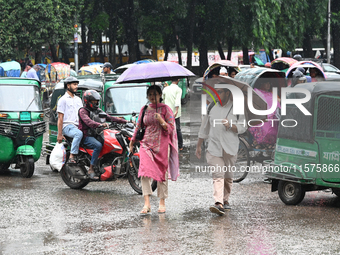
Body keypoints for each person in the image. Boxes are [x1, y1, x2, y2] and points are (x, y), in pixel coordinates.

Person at [195, 88, 247, 216]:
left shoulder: (237, 108)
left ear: (228, 93)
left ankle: (225, 199)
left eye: (220, 92)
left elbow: (243, 127)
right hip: (214, 147)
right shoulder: (211, 106)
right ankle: (218, 203)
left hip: (230, 147)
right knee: (218, 174)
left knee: (228, 176)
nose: (217, 94)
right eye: (215, 91)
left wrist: (230, 125)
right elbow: (204, 127)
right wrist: (199, 145)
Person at [129, 85, 179, 215]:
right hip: (146, 144)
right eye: (150, 94)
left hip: (162, 145)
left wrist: (161, 120)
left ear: (160, 95)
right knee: (144, 172)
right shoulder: (144, 109)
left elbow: (171, 128)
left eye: (155, 94)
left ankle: (162, 201)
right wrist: (132, 141)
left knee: (162, 174)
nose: (152, 97)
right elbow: (139, 125)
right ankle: (147, 203)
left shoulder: (166, 109)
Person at [78, 90, 128, 180]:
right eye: (94, 101)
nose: (96, 103)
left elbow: (109, 117)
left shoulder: (98, 110)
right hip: (86, 136)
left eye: (97, 101)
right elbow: (88, 122)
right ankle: (91, 168)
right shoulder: (83, 111)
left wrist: (125, 121)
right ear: (87, 101)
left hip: (96, 134)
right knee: (98, 145)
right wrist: (100, 125)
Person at [57, 77, 83, 164]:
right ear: (68, 86)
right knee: (78, 134)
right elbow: (60, 118)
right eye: (74, 84)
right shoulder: (62, 100)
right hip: (67, 126)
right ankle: (72, 155)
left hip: (77, 126)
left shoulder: (78, 100)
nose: (76, 87)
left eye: (77, 84)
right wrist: (59, 134)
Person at [249, 79, 280, 150]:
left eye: (269, 83)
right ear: (262, 84)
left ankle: (269, 143)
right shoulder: (257, 92)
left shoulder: (271, 94)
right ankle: (259, 142)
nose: (268, 85)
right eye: (266, 83)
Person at [162, 79, 184, 150]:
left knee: (167, 128)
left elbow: (162, 99)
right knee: (177, 129)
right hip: (175, 113)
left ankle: (169, 144)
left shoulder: (166, 89)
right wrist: (176, 111)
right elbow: (177, 100)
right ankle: (180, 146)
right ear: (178, 80)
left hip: (167, 112)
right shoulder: (178, 89)